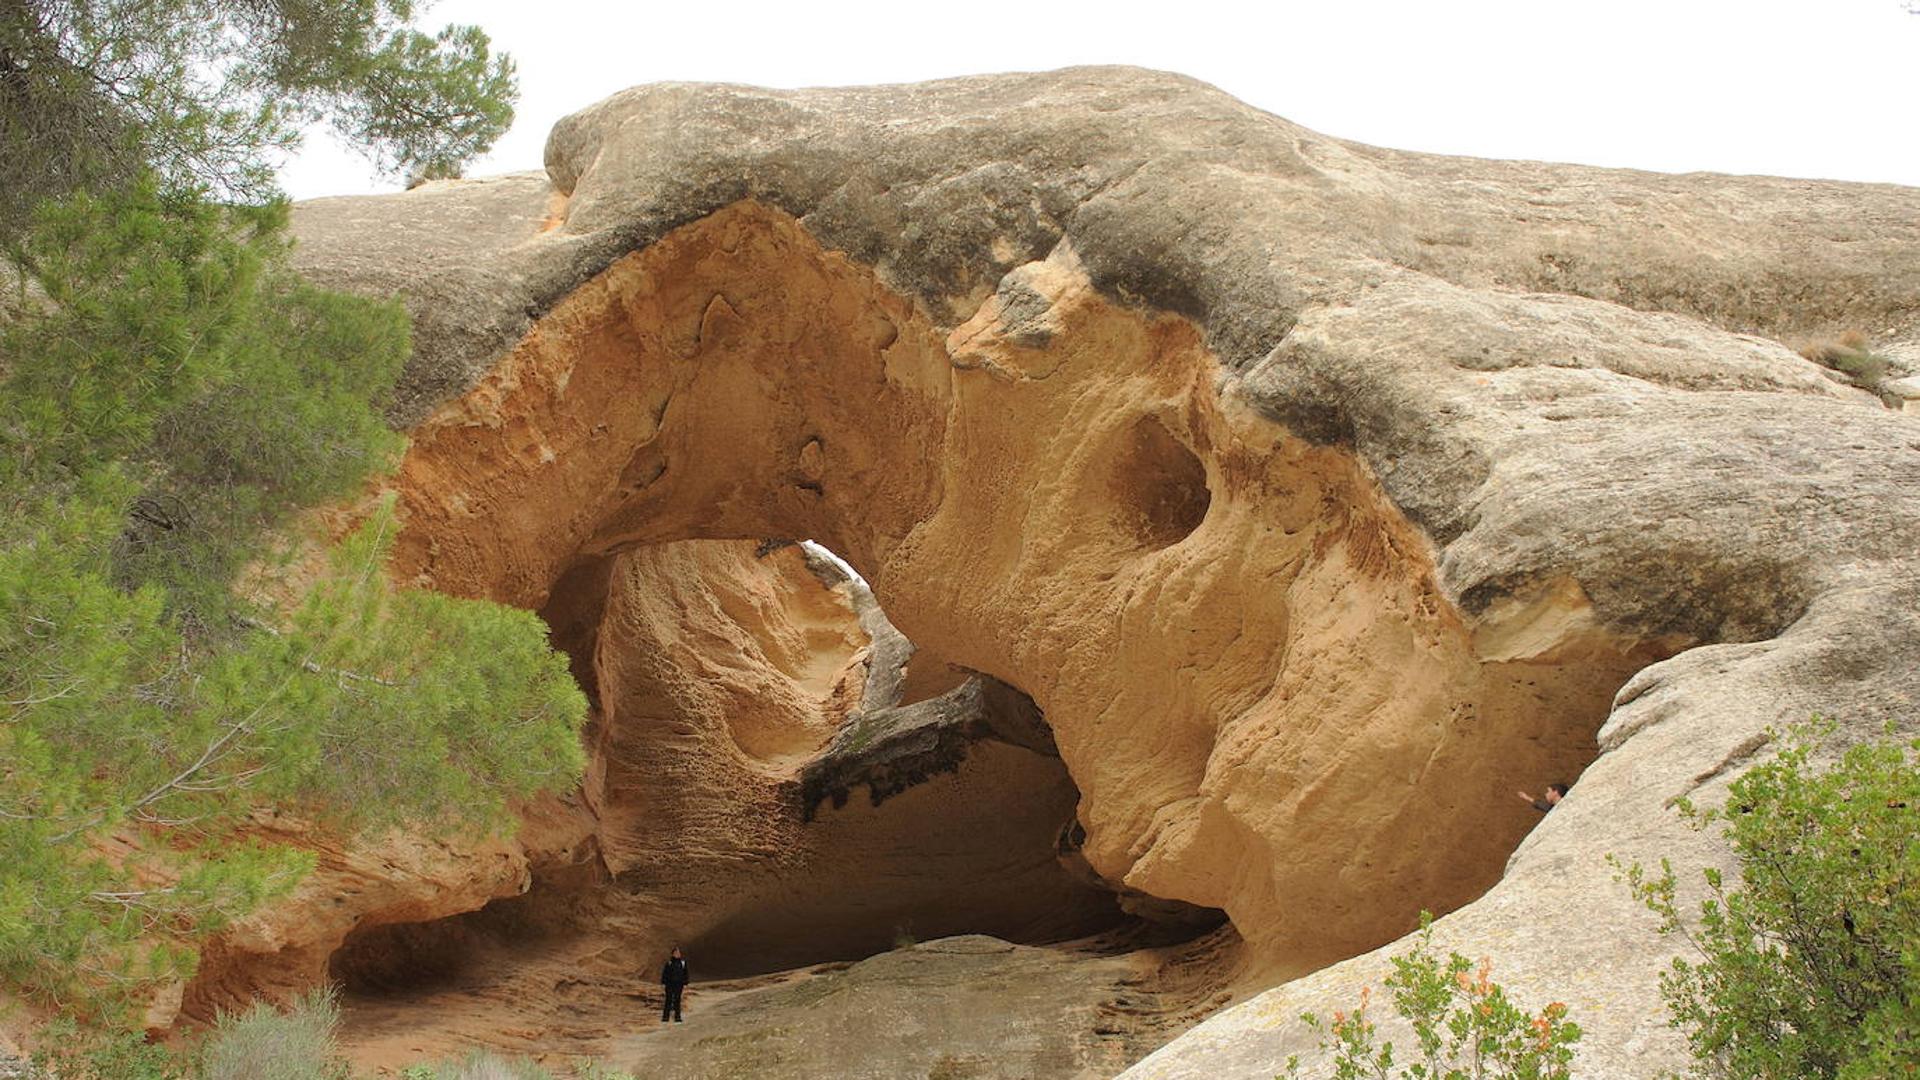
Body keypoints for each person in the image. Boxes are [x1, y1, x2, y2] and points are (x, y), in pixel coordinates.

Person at [659, 946, 689, 1022]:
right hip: (669, 984)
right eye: (676, 953)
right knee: (668, 1000)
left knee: (677, 1000)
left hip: (679, 984)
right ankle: (665, 1017)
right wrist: (663, 983)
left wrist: (685, 983)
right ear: (672, 954)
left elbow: (685, 973)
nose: (677, 954)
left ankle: (677, 1017)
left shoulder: (683, 963)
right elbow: (665, 973)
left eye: (678, 953)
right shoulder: (669, 963)